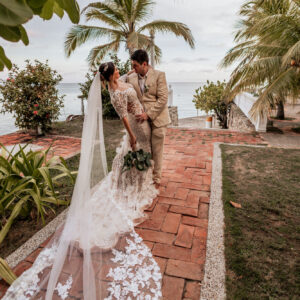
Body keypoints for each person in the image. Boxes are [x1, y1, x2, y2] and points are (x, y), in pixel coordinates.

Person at [3, 63, 162, 299]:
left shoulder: (123, 80)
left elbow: (133, 80)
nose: (120, 71)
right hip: (134, 127)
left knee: (135, 158)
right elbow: (123, 118)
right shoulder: (115, 92)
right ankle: (130, 187)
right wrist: (130, 135)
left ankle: (135, 182)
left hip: (142, 122)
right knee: (133, 156)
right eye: (116, 70)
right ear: (109, 76)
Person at [121, 50, 171, 187]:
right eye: (132, 65)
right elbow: (118, 84)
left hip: (158, 119)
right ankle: (146, 175)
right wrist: (129, 73)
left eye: (135, 65)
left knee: (156, 150)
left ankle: (156, 178)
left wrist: (148, 114)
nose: (133, 68)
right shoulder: (132, 77)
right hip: (140, 121)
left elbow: (163, 99)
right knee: (144, 148)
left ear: (144, 64)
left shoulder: (159, 75)